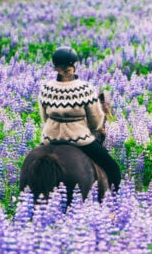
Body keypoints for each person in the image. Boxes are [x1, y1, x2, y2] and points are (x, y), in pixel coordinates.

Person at [38, 46, 122, 190]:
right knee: (112, 168)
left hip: (49, 139)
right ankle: (113, 200)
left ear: (55, 66)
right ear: (73, 66)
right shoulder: (84, 89)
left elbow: (44, 117)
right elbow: (96, 121)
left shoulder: (46, 88)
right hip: (79, 139)